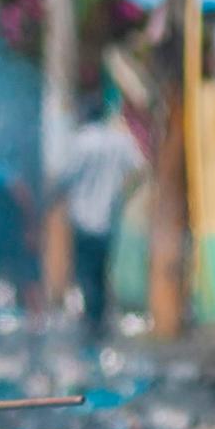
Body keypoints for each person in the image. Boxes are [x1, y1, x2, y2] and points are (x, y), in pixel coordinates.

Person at [61, 97, 144, 344]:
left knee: (85, 274)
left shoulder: (79, 142)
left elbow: (64, 177)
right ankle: (99, 324)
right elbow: (140, 169)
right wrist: (121, 193)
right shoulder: (119, 141)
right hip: (108, 218)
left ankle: (91, 326)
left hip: (82, 219)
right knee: (102, 270)